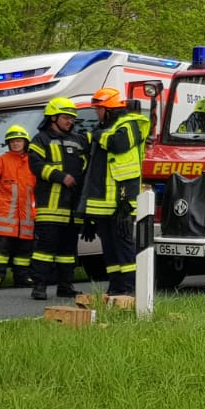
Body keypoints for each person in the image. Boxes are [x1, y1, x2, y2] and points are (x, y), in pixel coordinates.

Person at [81, 87, 151, 297]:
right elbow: (93, 173)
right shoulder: (104, 128)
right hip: (102, 203)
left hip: (122, 202)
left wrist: (96, 136)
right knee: (110, 249)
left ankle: (129, 288)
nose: (97, 113)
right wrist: (86, 212)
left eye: (99, 109)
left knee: (124, 247)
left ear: (109, 109)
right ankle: (116, 286)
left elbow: (117, 144)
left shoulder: (130, 125)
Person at [28, 97, 89, 301]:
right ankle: (39, 286)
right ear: (53, 117)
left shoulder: (78, 140)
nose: (69, 121)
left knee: (68, 250)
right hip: (50, 206)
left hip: (73, 206)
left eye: (72, 118)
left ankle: (65, 286)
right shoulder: (41, 139)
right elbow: (35, 165)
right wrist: (61, 177)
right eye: (65, 117)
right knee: (45, 248)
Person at [0, 126, 36, 287]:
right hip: (5, 213)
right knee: (0, 249)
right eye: (12, 141)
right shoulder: (1, 161)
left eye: (18, 141)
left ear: (25, 142)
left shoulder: (32, 161)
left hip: (26, 215)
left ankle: (22, 278)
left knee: (24, 250)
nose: (15, 144)